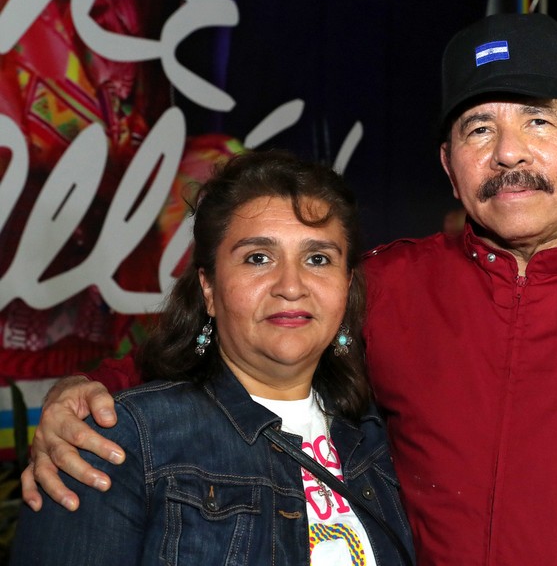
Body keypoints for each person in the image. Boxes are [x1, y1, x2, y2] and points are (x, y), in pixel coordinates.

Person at [21, 13, 557, 564]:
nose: (509, 153)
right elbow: (239, 344)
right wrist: (87, 393)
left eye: (538, 122)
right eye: (478, 129)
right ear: (449, 168)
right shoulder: (389, 285)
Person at [11, 150, 415, 565]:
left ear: (346, 285)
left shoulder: (377, 436)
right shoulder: (117, 442)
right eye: (258, 258)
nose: (292, 286)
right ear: (208, 288)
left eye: (318, 259)